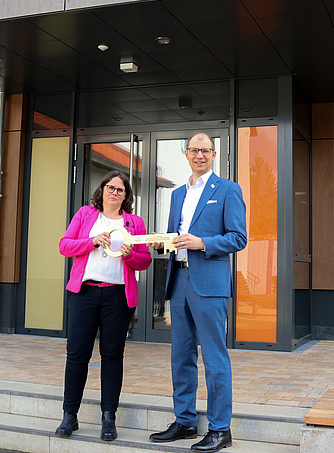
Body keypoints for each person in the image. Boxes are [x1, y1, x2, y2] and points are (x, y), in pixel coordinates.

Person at [148, 133, 247, 452]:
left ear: (214, 154)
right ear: (186, 154)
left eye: (205, 150)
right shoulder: (177, 194)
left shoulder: (228, 190)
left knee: (215, 357)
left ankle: (220, 429)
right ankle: (185, 421)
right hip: (179, 282)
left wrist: (203, 243)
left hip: (210, 284)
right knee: (181, 355)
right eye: (194, 150)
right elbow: (174, 239)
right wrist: (160, 243)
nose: (199, 155)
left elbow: (238, 238)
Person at [56, 171, 151, 441]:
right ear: (102, 190)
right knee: (76, 355)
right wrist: (93, 241)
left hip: (117, 298)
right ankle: (69, 416)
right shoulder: (86, 215)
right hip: (85, 293)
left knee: (112, 356)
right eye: (111, 188)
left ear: (126, 196)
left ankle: (108, 417)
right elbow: (64, 245)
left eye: (120, 190)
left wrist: (131, 255)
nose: (114, 193)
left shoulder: (134, 223)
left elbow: (144, 261)